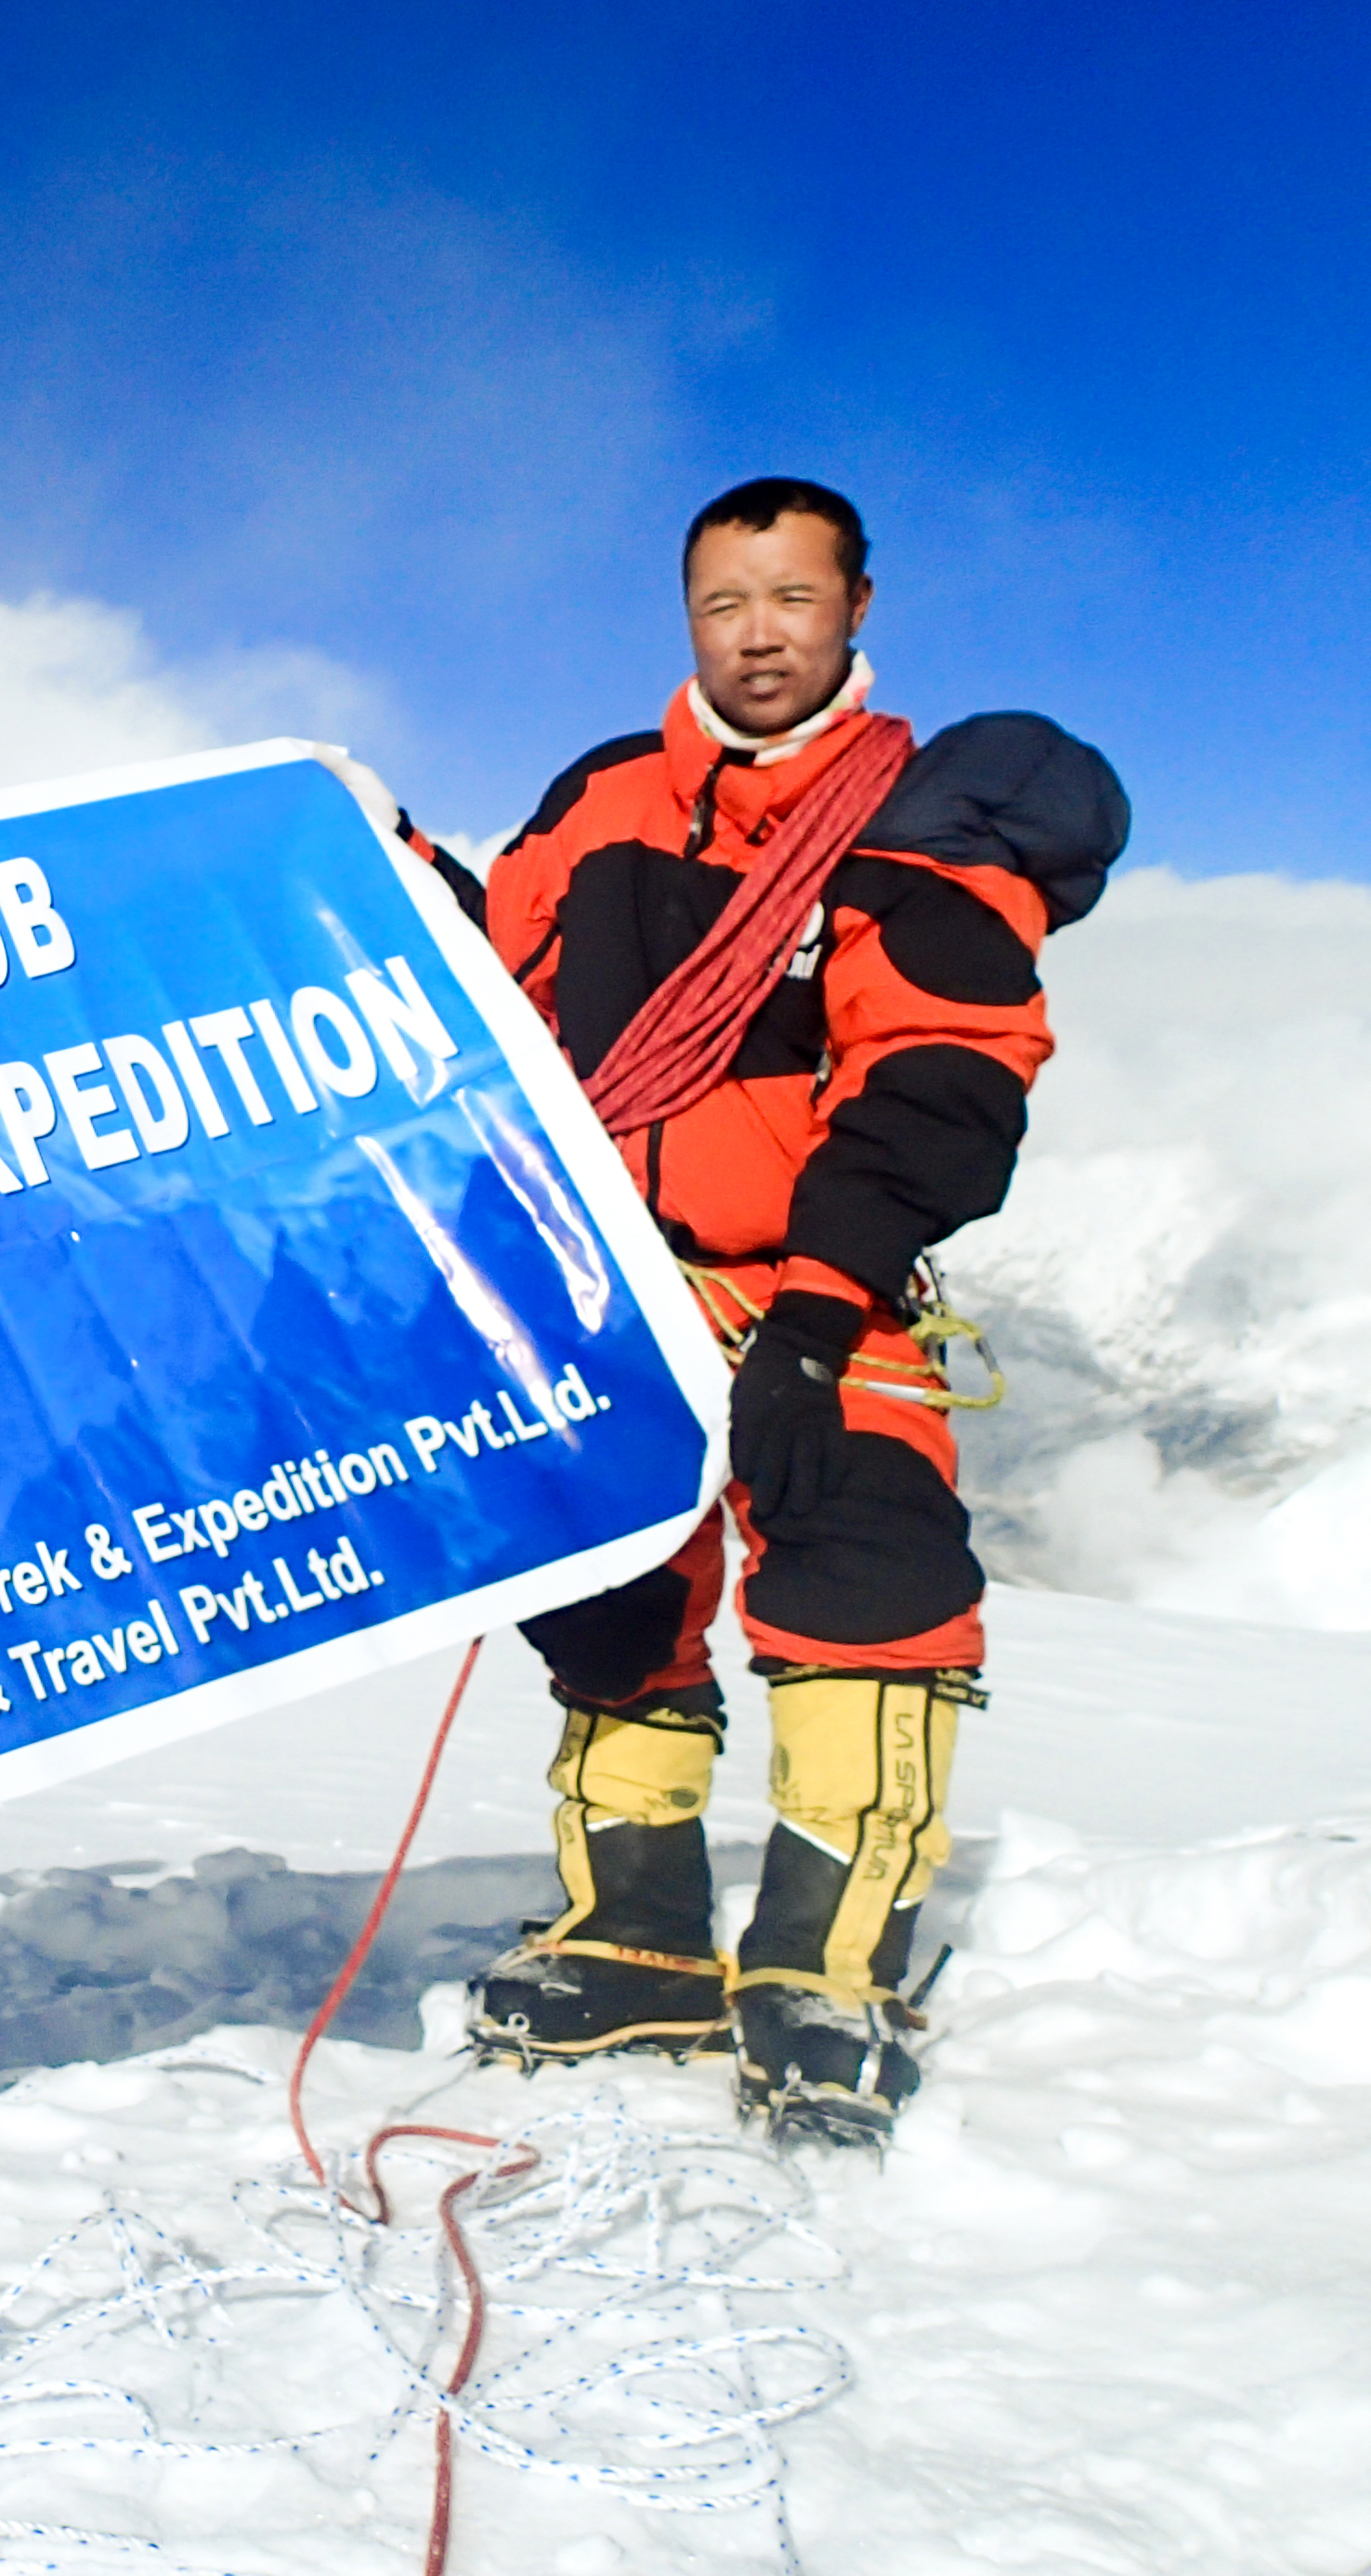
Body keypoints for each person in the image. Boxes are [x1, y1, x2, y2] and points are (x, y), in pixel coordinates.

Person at [459, 477, 1127, 2148]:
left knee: (865, 1590)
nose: (758, 635)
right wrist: (370, 862)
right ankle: (636, 1946)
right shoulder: (604, 801)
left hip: (812, 1292)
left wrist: (827, 1303)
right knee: (613, 1607)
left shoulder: (917, 821)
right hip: (615, 1279)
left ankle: (825, 1975)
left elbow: (940, 1069)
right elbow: (489, 988)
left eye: (793, 600)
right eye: (723, 605)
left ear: (856, 610)